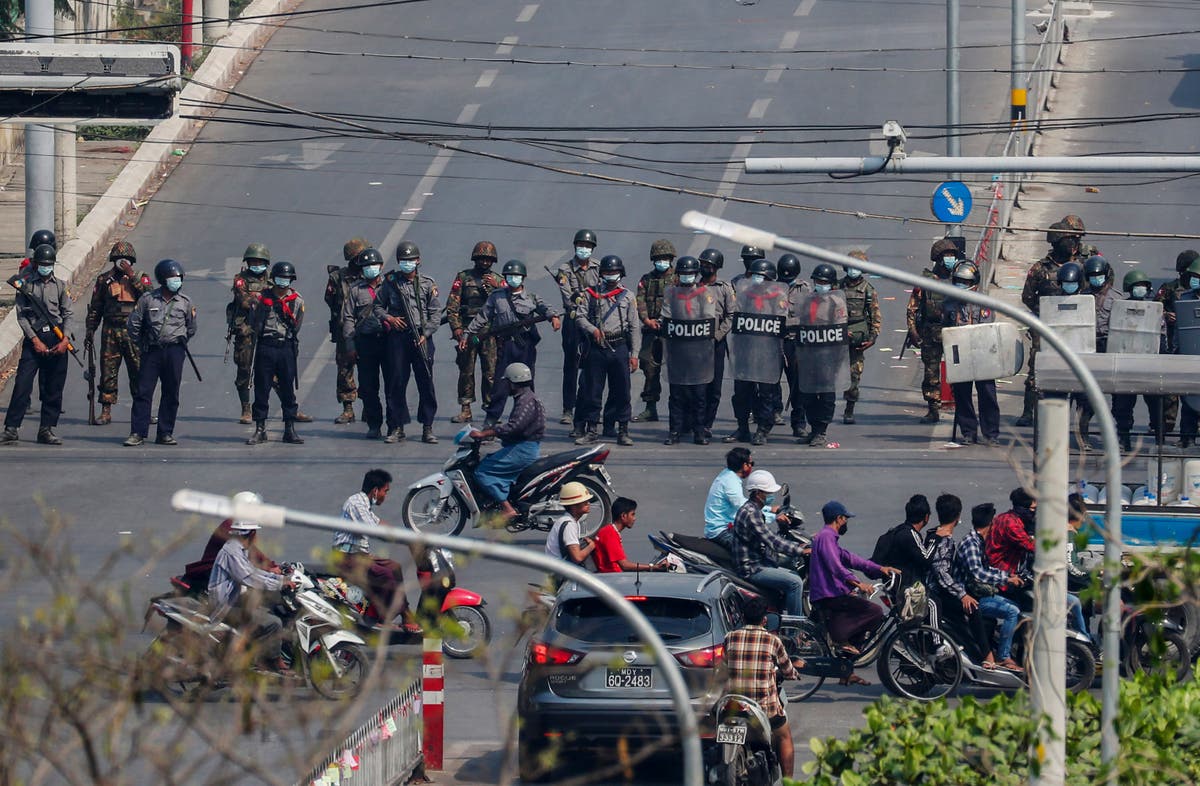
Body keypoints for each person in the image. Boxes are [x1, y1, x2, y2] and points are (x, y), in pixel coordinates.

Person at [464, 260, 561, 428]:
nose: (513, 279)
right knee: (500, 386)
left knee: (526, 385)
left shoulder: (531, 298)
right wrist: (468, 334)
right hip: (505, 346)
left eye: (516, 276)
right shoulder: (497, 296)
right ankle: (490, 422)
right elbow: (482, 317)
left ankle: (528, 421)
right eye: (509, 276)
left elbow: (546, 308)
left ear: (523, 278)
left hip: (525, 347)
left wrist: (554, 317)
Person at [808, 501, 897, 671]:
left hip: (832, 594)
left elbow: (852, 559)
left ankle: (845, 664)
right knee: (875, 611)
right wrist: (858, 583)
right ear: (838, 518)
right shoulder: (826, 536)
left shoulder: (829, 539)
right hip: (829, 594)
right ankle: (840, 638)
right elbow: (835, 566)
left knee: (862, 609)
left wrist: (881, 569)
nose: (846, 522)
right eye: (845, 518)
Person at [1018, 215, 1088, 426]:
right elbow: (1027, 297)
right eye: (1070, 240)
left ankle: (1081, 416)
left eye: (1077, 240)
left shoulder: (1082, 266)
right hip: (1045, 326)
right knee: (1037, 366)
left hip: (1075, 325)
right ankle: (1028, 412)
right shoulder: (1040, 269)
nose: (1075, 244)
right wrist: (1043, 313)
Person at [723, 594, 804, 778]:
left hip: (733, 706)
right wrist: (794, 672)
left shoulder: (730, 637)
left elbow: (724, 665)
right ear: (765, 620)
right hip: (763, 709)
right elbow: (788, 670)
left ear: (743, 618)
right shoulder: (772, 640)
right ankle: (788, 781)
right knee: (784, 736)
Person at [331, 469, 421, 632]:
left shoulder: (364, 504)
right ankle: (376, 618)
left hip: (360, 555)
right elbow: (375, 530)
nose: (385, 496)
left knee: (394, 567)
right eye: (385, 491)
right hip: (346, 558)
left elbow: (381, 524)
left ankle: (404, 613)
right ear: (375, 491)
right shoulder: (356, 504)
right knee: (384, 575)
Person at [1, 243, 73, 446]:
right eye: (42, 264)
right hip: (34, 340)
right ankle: (11, 428)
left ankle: (47, 429)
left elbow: (67, 313)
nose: (45, 268)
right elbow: (22, 316)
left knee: (53, 387)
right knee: (22, 385)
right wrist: (34, 340)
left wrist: (65, 339)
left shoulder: (60, 286)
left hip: (57, 339)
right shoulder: (25, 286)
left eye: (48, 264)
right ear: (36, 264)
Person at [207, 517, 296, 673]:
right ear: (252, 533)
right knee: (273, 622)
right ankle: (266, 662)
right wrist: (279, 584)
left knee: (265, 608)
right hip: (224, 607)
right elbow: (248, 578)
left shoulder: (237, 548)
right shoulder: (233, 551)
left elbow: (253, 571)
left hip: (231, 600)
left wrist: (280, 578)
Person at [124, 259, 197, 447]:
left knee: (171, 393)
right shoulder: (148, 300)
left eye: (179, 278)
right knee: (143, 392)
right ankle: (137, 432)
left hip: (174, 351)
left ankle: (165, 432)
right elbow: (134, 324)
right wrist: (141, 344)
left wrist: (178, 343)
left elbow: (191, 328)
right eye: (173, 278)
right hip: (151, 351)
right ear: (163, 280)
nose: (177, 281)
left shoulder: (185, 302)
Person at [922, 494, 999, 670]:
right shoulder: (945, 540)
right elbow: (942, 573)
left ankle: (971, 653)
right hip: (938, 592)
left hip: (939, 589)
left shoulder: (933, 533)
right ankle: (987, 657)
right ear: (957, 517)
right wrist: (962, 595)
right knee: (973, 608)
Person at [375, 240, 441, 444]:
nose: (407, 263)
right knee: (396, 381)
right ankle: (397, 426)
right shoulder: (390, 282)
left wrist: (426, 333)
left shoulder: (428, 283)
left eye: (410, 260)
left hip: (421, 337)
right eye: (403, 260)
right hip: (398, 337)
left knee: (426, 382)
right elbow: (378, 306)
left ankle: (427, 426)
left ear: (418, 261)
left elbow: (435, 313)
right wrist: (389, 319)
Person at [574, 254, 640, 446]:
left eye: (614, 272)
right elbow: (579, 317)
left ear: (621, 274)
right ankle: (592, 429)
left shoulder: (627, 296)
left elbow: (634, 326)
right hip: (597, 348)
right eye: (607, 272)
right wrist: (593, 329)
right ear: (601, 273)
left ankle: (623, 430)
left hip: (619, 346)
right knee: (592, 390)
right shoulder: (590, 294)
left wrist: (634, 355)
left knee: (622, 391)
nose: (611, 275)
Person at [85, 241, 153, 425]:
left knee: (139, 372)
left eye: (126, 260)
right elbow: (96, 307)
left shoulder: (140, 277)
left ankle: (143, 410)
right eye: (118, 260)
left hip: (134, 332)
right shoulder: (104, 280)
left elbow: (150, 298)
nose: (122, 263)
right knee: (108, 372)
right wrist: (90, 329)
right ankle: (105, 410)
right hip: (110, 331)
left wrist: (132, 277)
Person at [952, 502, 1024, 672]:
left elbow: (985, 569)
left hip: (978, 592)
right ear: (990, 524)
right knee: (1012, 611)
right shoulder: (971, 543)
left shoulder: (978, 541)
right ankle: (1004, 656)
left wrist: (1010, 575)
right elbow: (978, 573)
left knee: (1015, 606)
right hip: (970, 596)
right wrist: (1006, 579)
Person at [470, 362, 545, 521]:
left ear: (513, 383)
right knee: (491, 460)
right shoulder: (527, 398)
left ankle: (507, 508)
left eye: (507, 382)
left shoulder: (526, 401)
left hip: (523, 450)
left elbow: (514, 427)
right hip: (522, 447)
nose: (506, 386)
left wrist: (486, 433)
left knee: (482, 471)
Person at [726, 257, 787, 446]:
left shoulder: (778, 297)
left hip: (768, 352)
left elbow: (781, 321)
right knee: (741, 392)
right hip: (746, 351)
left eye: (760, 276)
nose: (756, 280)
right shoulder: (743, 294)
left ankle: (763, 429)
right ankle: (742, 427)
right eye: (754, 276)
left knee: (766, 394)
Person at [246, 261, 305, 445]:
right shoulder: (262, 299)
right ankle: (260, 428)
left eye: (287, 278)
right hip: (266, 345)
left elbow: (297, 325)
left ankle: (289, 428)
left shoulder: (297, 300)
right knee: (262, 388)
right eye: (280, 278)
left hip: (286, 347)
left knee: (287, 388)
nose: (283, 281)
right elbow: (253, 321)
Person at [731, 470, 806, 617]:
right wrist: (800, 550)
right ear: (758, 493)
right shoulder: (751, 512)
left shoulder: (754, 509)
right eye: (768, 493)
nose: (771, 496)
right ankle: (795, 631)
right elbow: (771, 540)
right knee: (796, 583)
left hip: (760, 561)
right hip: (753, 568)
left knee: (792, 572)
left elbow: (766, 536)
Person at [943, 260, 1001, 446]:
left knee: (987, 394)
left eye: (966, 282)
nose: (962, 286)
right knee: (962, 395)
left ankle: (991, 433)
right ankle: (968, 431)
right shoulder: (949, 304)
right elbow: (946, 329)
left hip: (982, 355)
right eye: (959, 281)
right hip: (960, 356)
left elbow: (988, 329)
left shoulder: (985, 303)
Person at [661, 256, 717, 445]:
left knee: (699, 395)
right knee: (676, 395)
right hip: (677, 351)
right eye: (683, 274)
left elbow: (709, 319)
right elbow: (666, 317)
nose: (686, 277)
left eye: (690, 274)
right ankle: (674, 431)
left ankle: (699, 432)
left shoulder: (704, 293)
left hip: (699, 352)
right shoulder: (671, 293)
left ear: (695, 275)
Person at [446, 241, 504, 424]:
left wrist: (497, 287)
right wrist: (456, 328)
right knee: (466, 371)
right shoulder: (463, 277)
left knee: (491, 373)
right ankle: (465, 408)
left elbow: (507, 302)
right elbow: (452, 305)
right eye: (481, 258)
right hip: (467, 331)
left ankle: (490, 410)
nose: (485, 262)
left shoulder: (498, 279)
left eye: (488, 259)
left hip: (490, 332)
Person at [789, 263, 846, 447]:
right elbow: (801, 324)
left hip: (827, 355)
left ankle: (821, 430)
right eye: (818, 280)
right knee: (807, 394)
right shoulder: (807, 300)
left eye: (824, 281)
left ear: (831, 284)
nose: (820, 284)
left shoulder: (836, 303)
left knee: (826, 395)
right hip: (808, 355)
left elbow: (839, 329)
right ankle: (813, 428)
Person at [1111, 269, 1168, 450]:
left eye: (1143, 287)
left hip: (1149, 364)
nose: (1140, 290)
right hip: (1126, 363)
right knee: (1122, 406)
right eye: (1136, 287)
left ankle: (1160, 438)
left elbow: (1162, 337)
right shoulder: (1119, 309)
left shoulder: (1155, 310)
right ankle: (1124, 438)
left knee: (1156, 404)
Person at [906, 238, 960, 424]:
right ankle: (932, 408)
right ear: (938, 258)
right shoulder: (926, 281)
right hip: (931, 331)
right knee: (931, 372)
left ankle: (961, 406)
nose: (950, 258)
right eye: (947, 255)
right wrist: (913, 331)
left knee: (959, 371)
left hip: (955, 331)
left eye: (952, 255)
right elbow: (912, 307)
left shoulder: (960, 277)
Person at [181, 491, 280, 589]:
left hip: (230, 566)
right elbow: (250, 553)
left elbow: (251, 551)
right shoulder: (232, 527)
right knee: (250, 589)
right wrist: (270, 568)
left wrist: (271, 566)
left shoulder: (242, 525)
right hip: (215, 571)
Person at [341, 247, 390, 439]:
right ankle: (374, 424)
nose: (371, 269)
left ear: (381, 266)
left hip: (387, 342)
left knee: (393, 386)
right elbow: (348, 319)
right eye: (367, 266)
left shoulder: (389, 287)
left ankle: (395, 426)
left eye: (374, 265)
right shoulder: (355, 290)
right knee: (368, 388)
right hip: (366, 343)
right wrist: (350, 346)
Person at [554, 229, 600, 429]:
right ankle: (568, 409)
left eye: (588, 246)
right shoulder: (565, 269)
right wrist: (580, 300)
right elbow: (567, 296)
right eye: (581, 246)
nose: (584, 249)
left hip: (592, 320)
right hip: (573, 320)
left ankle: (590, 409)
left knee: (593, 365)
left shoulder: (598, 267)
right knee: (571, 365)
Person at [325, 237, 370, 425]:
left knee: (369, 370)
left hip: (367, 331)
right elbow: (329, 299)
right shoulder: (338, 277)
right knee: (345, 369)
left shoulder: (371, 275)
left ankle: (369, 407)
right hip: (345, 331)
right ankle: (348, 408)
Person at [1153, 249, 1198, 435]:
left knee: (1192, 394)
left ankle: (1188, 433)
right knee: (1170, 394)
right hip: (1172, 343)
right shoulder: (1171, 288)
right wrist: (1166, 315)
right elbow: (1154, 307)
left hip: (1194, 345)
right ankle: (1165, 430)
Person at [632, 239, 676, 423]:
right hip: (651, 330)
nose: (661, 261)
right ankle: (650, 407)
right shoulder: (646, 280)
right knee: (649, 368)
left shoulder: (679, 278)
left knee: (677, 371)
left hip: (673, 331)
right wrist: (647, 320)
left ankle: (679, 409)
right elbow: (639, 300)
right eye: (658, 258)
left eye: (665, 258)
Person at [838, 251, 881, 425]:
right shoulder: (837, 287)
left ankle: (849, 409)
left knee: (854, 376)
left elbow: (875, 315)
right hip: (835, 337)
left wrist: (872, 337)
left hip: (857, 337)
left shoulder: (868, 290)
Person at [698, 248, 736, 440]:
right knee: (694, 386)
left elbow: (730, 316)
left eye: (708, 265)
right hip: (694, 343)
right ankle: (693, 422)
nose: (704, 268)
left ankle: (706, 425)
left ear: (716, 268)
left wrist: (718, 336)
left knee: (714, 387)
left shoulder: (724, 288)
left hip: (715, 343)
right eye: (702, 264)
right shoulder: (691, 286)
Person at [869, 494, 933, 588]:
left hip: (892, 589)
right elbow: (927, 560)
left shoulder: (892, 533)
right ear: (926, 517)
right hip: (908, 592)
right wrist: (935, 538)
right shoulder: (911, 534)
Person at [592, 497, 667, 573]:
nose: (634, 518)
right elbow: (625, 565)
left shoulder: (609, 531)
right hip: (614, 578)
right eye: (632, 514)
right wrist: (653, 567)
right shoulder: (610, 533)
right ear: (623, 516)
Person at [777, 254, 808, 438]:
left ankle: (799, 424)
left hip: (795, 342)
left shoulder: (804, 290)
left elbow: (807, 315)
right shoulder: (773, 287)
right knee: (769, 385)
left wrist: (787, 323)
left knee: (797, 386)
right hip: (774, 342)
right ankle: (768, 420)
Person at [545, 482, 597, 579]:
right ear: (574, 506)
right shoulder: (569, 525)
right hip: (560, 572)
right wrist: (591, 546)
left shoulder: (570, 521)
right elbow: (577, 558)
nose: (588, 504)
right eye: (585, 502)